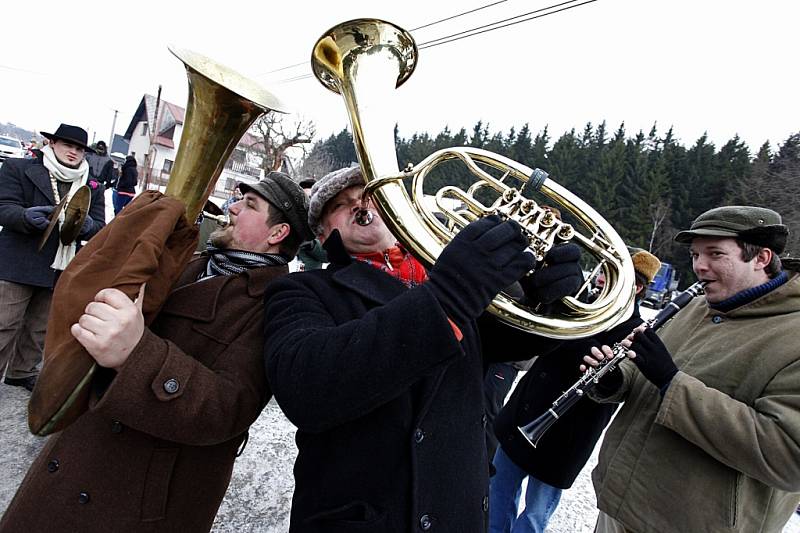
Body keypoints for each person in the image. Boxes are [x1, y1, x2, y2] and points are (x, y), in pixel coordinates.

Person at [262, 165, 584, 531]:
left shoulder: (448, 273)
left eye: (369, 195)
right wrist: (448, 295)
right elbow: (307, 388)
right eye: (340, 204)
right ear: (323, 232)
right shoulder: (302, 290)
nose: (359, 204)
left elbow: (510, 340)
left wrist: (547, 300)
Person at [0, 172, 314, 532]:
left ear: (277, 234)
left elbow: (228, 409)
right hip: (84, 451)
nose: (232, 207)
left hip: (138, 495)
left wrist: (137, 353)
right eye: (238, 198)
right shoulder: (194, 260)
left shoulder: (275, 304)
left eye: (249, 205)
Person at [584, 206, 800, 533]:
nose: (700, 266)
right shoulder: (695, 306)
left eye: (715, 254)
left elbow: (788, 455)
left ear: (762, 258)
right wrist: (617, 378)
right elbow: (650, 373)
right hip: (620, 506)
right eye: (695, 254)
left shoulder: (793, 335)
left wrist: (672, 383)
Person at [488, 249, 662, 533]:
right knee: (497, 495)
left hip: (564, 439)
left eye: (613, 276)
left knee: (534, 516)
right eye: (606, 273)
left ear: (637, 287)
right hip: (522, 417)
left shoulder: (637, 333)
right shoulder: (577, 304)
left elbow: (619, 386)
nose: (602, 280)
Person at [0, 123, 105, 391]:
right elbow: (3, 206)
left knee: (38, 327)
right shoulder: (18, 168)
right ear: (52, 144)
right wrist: (23, 216)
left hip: (60, 265)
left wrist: (88, 226)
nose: (73, 152)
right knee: (4, 323)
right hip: (18, 259)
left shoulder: (92, 185)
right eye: (68, 145)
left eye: (79, 148)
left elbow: (101, 225)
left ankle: (21, 371)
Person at [295, 176, 327, 270]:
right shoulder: (288, 219)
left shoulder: (323, 223)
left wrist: (311, 244)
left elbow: (328, 255)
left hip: (307, 279)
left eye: (310, 198)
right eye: (303, 198)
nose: (307, 203)